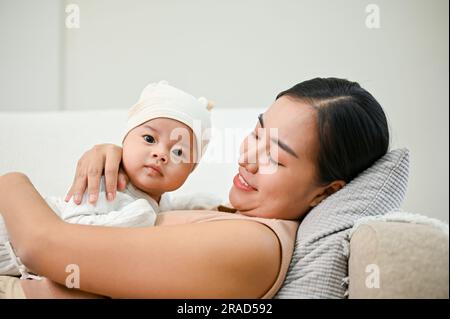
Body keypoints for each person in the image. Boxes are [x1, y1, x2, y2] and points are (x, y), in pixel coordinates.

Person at [0, 77, 389, 299]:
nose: (248, 156)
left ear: (326, 192)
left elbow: (40, 247)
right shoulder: (228, 216)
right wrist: (120, 158)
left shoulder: (255, 246)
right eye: (257, 132)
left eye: (275, 156)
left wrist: (11, 180)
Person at [0, 80, 221, 278]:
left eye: (178, 152)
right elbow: (71, 230)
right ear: (125, 140)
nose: (161, 154)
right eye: (149, 138)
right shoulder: (109, 180)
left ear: (191, 171)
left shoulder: (157, 199)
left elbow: (166, 209)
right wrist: (141, 217)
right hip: (11, 232)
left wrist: (207, 204)